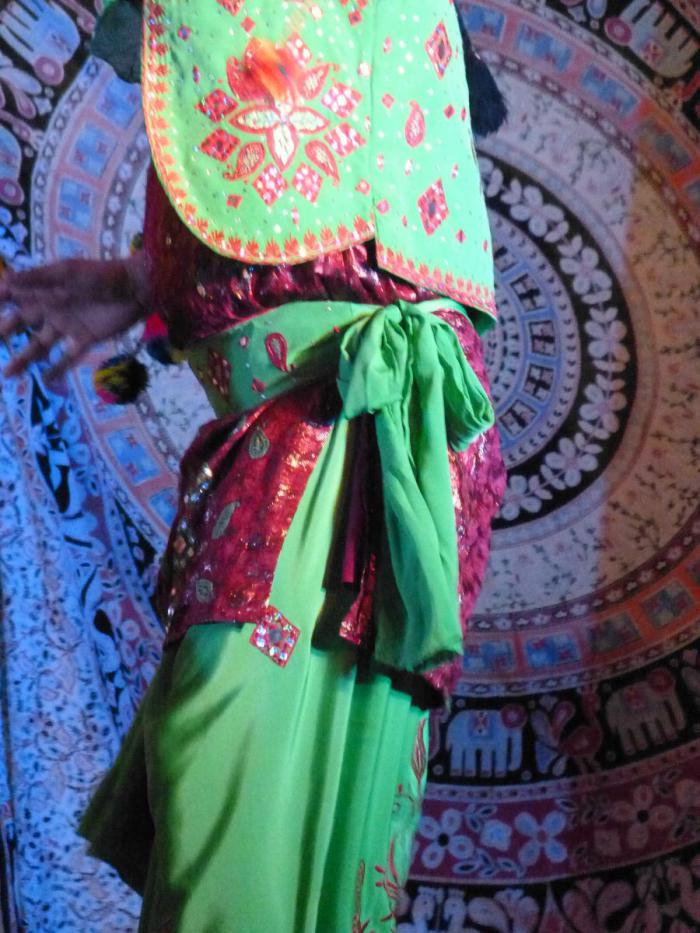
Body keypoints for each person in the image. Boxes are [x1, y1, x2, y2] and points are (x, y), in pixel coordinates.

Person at [0, 1, 507, 929]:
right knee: (216, 784)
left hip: (350, 429)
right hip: (304, 428)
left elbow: (361, 193)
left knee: (229, 765)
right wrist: (142, 284)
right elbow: (300, 179)